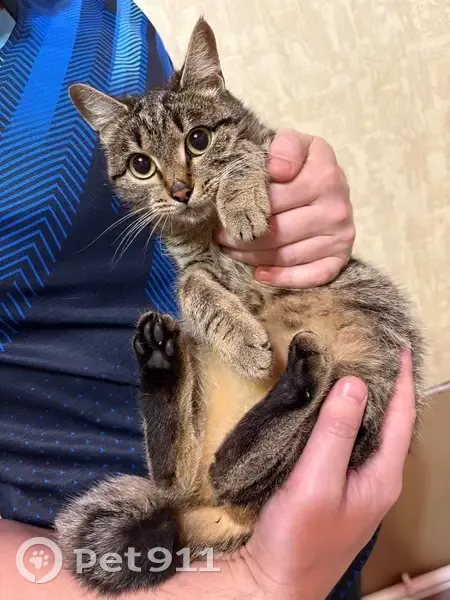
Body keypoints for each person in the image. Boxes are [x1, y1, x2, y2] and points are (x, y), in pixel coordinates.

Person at [0, 1, 415, 598]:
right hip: (123, 559)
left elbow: (241, 136)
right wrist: (257, 581)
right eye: (142, 166)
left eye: (192, 143)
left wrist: (294, 192)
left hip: (315, 525)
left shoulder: (101, 11)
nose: (178, 184)